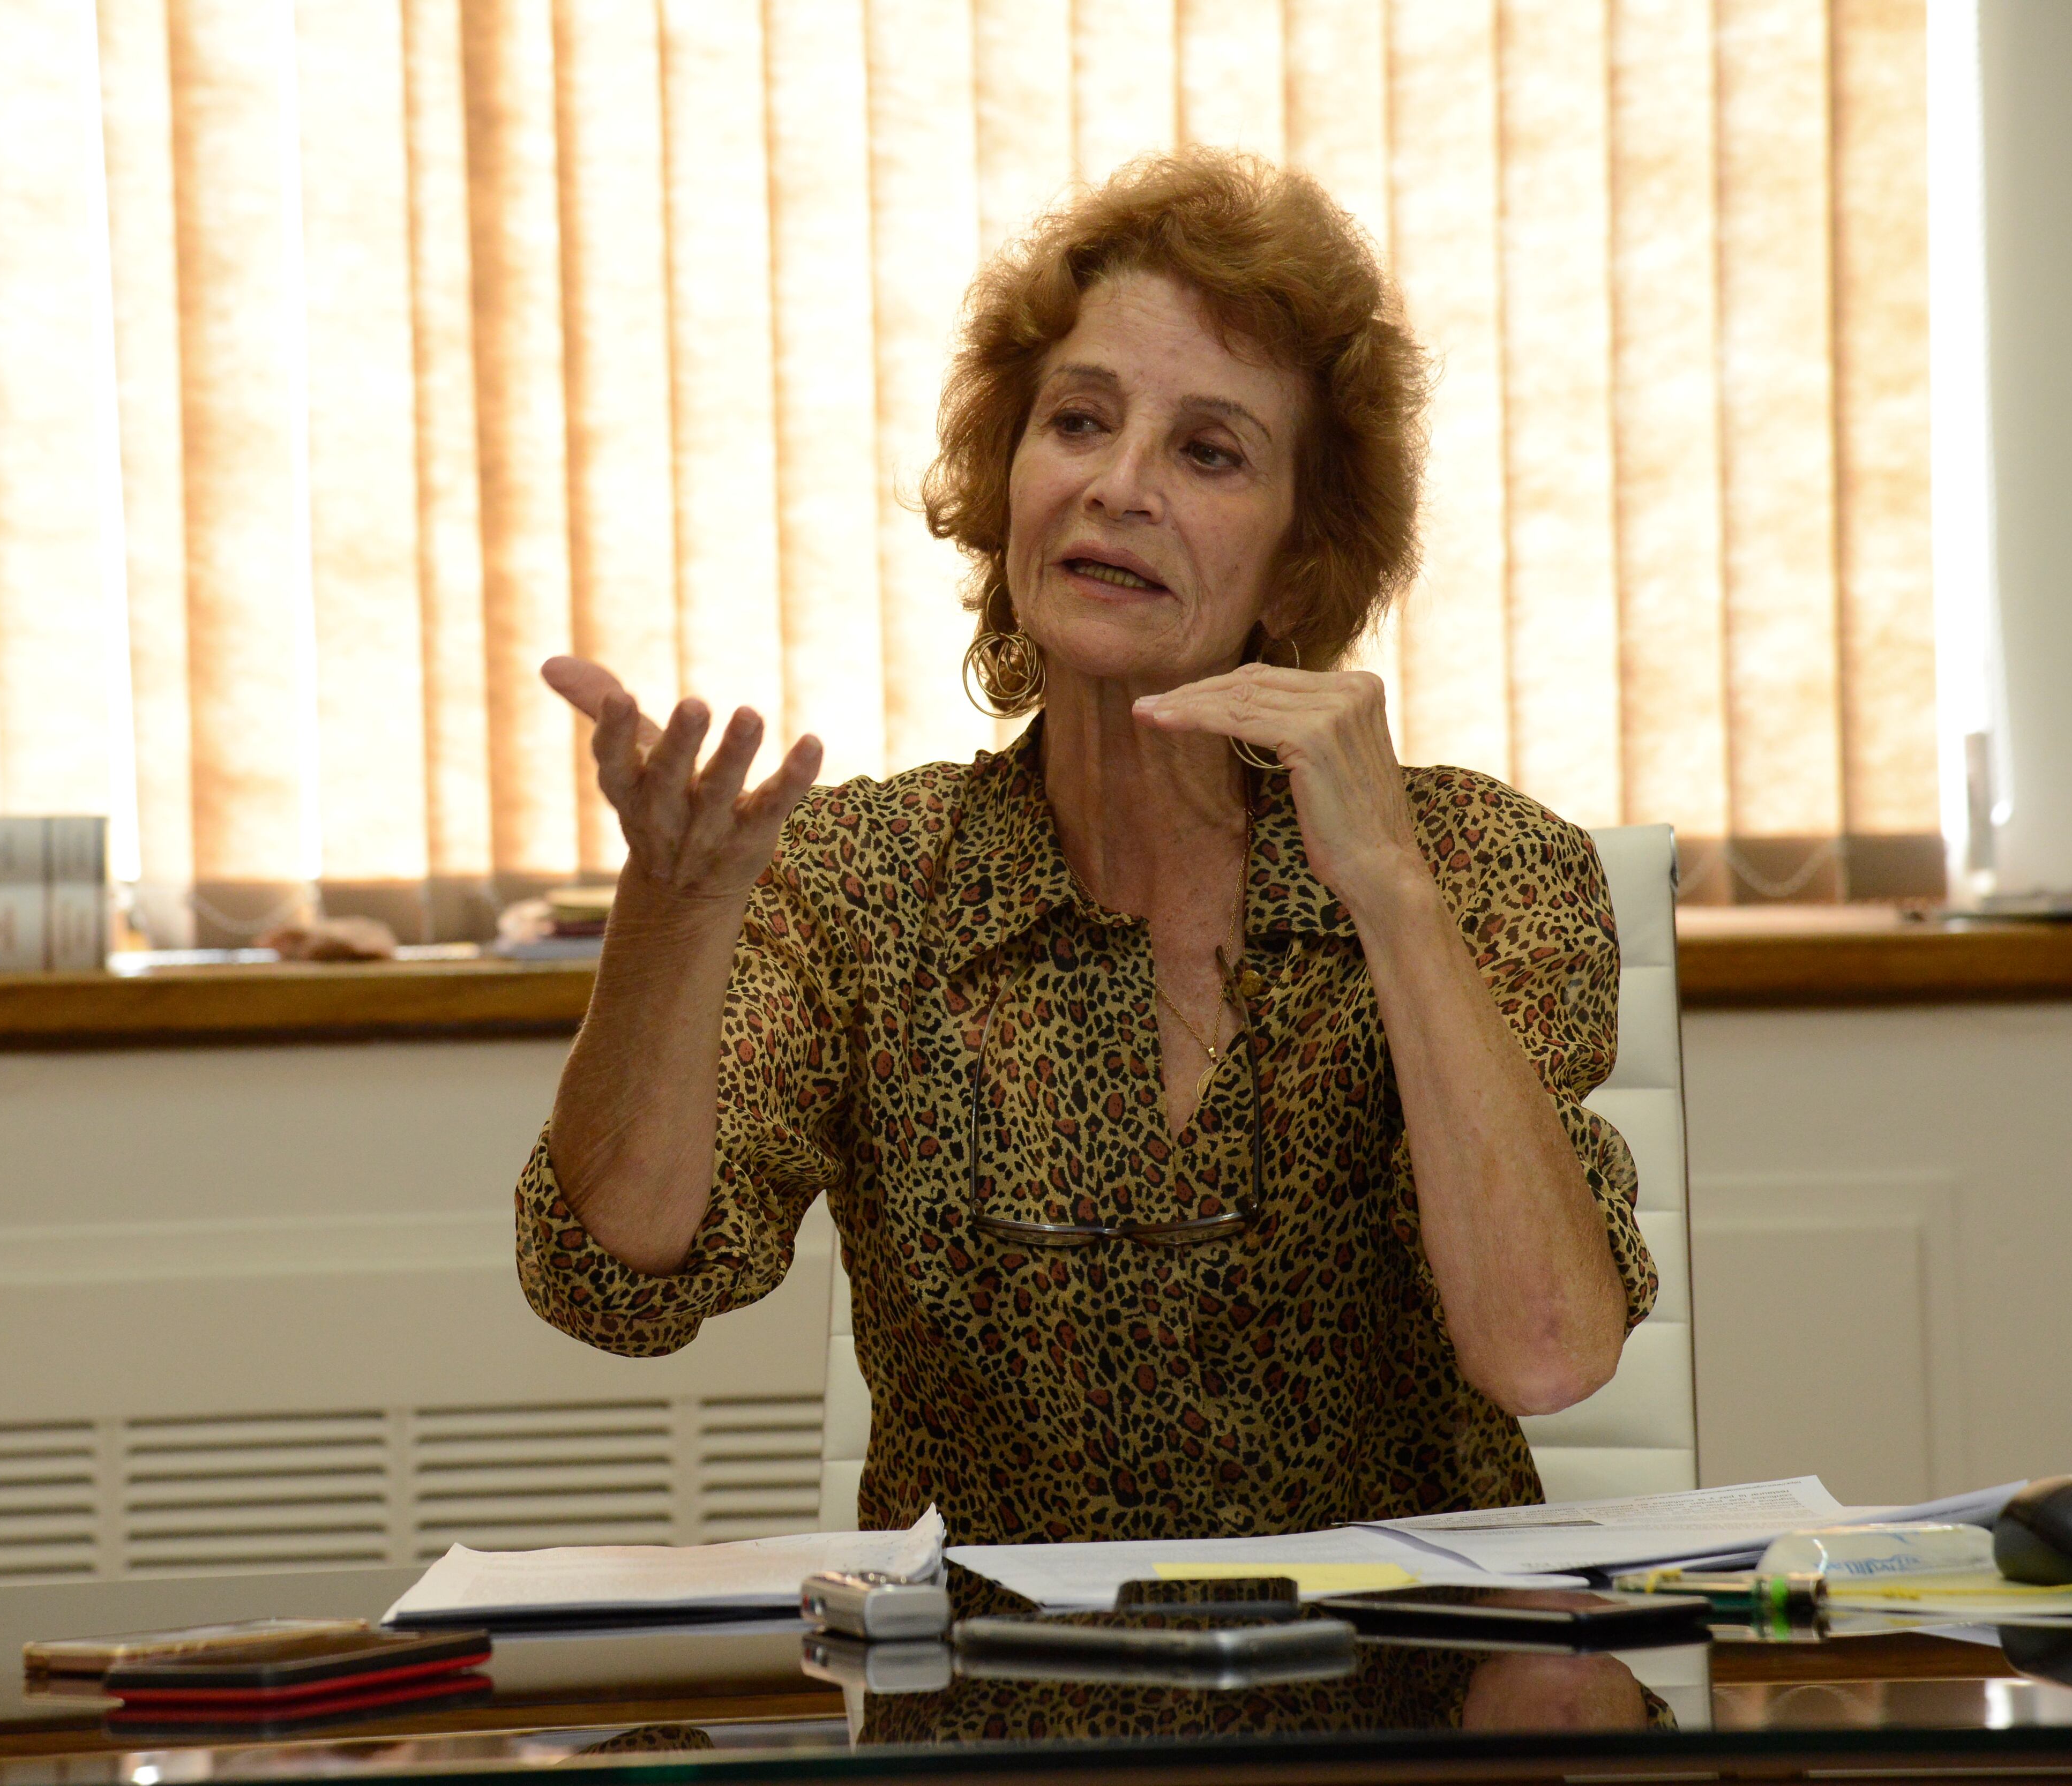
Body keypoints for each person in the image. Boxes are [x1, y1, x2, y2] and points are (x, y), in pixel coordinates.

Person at [514, 148, 1655, 1545]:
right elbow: (612, 1288)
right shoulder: (867, 882)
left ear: (1302, 557)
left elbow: (1545, 1352)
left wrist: (1395, 901)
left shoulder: (1483, 866)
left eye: (1208, 449)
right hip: (991, 1720)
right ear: (1010, 482)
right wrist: (669, 921)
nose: (1119, 486)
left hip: (1397, 1713)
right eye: (1080, 422)